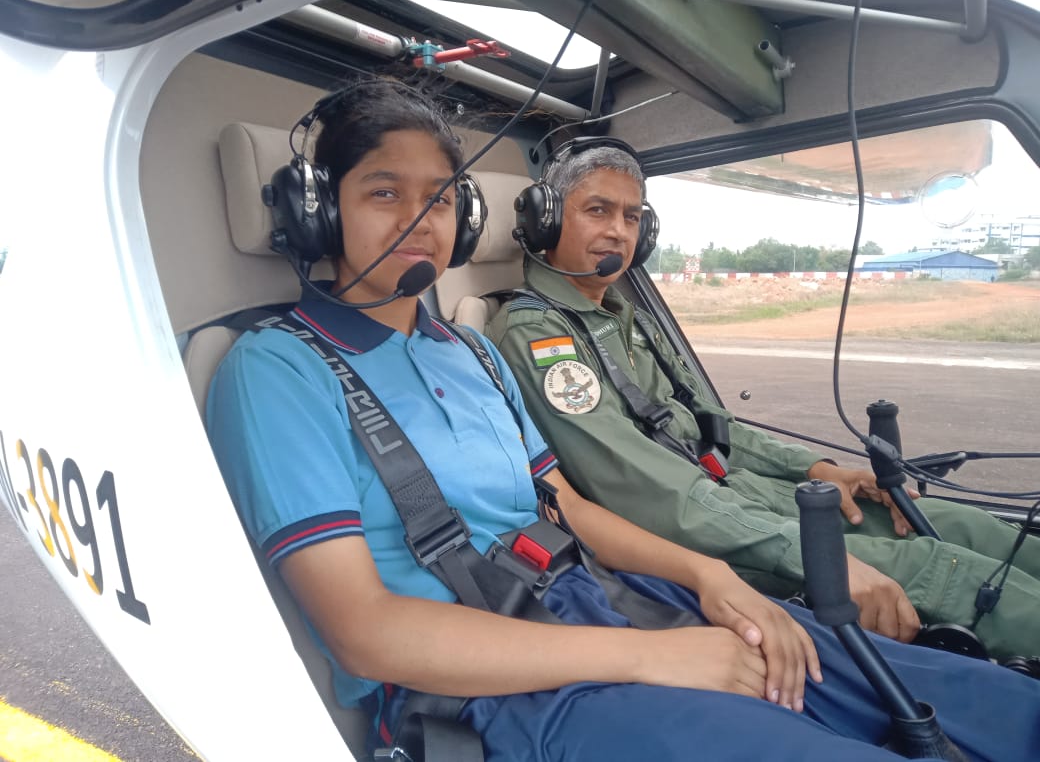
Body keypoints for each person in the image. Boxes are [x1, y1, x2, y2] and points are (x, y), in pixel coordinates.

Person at [206, 80, 1040, 762]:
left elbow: (568, 509)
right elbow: (365, 633)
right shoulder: (277, 368)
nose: (416, 219)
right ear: (320, 211)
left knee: (993, 704)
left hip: (609, 603)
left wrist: (714, 582)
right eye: (382, 192)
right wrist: (652, 657)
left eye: (439, 199)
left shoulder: (470, 352)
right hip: (494, 689)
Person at [486, 137, 1040, 663]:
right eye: (598, 211)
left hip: (742, 500)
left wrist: (818, 469)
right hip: (699, 539)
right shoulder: (539, 338)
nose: (618, 231)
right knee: (944, 570)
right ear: (548, 220)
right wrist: (805, 550)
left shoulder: (624, 319)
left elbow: (715, 428)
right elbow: (648, 492)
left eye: (632, 217)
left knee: (968, 527)